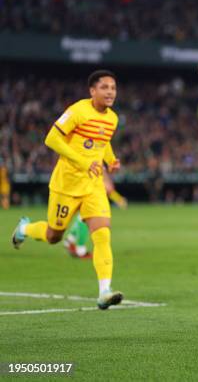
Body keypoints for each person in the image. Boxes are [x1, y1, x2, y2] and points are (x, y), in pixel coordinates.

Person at [11, 70, 124, 310]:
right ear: (92, 91)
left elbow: (102, 143)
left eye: (113, 87)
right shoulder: (77, 111)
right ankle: (25, 228)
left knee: (102, 234)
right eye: (104, 87)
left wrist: (111, 160)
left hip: (93, 186)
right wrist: (83, 162)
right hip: (67, 186)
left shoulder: (112, 118)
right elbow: (51, 138)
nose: (110, 92)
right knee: (54, 236)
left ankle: (105, 291)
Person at [64, 168, 128, 259]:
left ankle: (70, 240)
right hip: (88, 195)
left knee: (82, 218)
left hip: (78, 189)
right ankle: (80, 250)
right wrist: (119, 199)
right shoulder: (98, 164)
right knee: (85, 219)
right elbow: (108, 188)